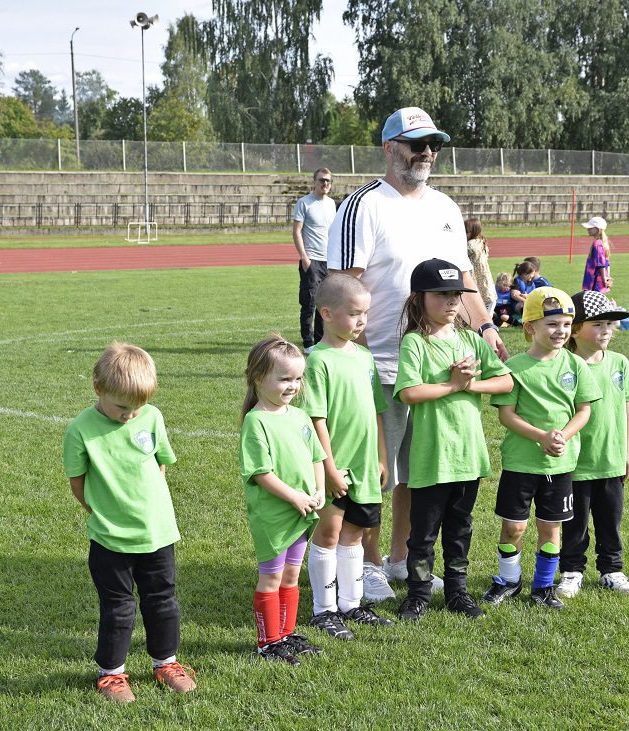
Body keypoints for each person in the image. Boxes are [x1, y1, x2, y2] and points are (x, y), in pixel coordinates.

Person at [327, 106, 506, 603]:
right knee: (372, 471)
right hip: (376, 360)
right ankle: (366, 563)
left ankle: (404, 558)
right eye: (415, 144)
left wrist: (486, 325)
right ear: (389, 149)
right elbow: (344, 285)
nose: (426, 152)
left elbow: (463, 281)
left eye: (433, 144)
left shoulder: (446, 208)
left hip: (432, 361)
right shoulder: (363, 204)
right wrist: (354, 356)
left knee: (416, 470)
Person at [63, 342, 196, 703]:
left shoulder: (150, 416)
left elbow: (160, 462)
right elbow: (78, 483)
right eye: (122, 406)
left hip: (158, 532)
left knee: (162, 600)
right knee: (119, 608)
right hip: (110, 539)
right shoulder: (80, 429)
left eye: (137, 407)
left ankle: (165, 663)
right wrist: (105, 511)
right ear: (98, 389)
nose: (130, 415)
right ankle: (112, 675)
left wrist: (148, 507)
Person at [394, 260, 513, 621]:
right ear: (420, 298)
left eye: (456, 295)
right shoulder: (415, 342)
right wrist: (451, 385)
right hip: (433, 455)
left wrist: (471, 384)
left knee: (460, 527)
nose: (451, 302)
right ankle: (418, 594)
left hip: (467, 454)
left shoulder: (470, 340)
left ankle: (457, 592)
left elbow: (506, 382)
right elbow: (409, 392)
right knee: (423, 532)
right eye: (442, 294)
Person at [483, 287, 601, 610]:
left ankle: (543, 587)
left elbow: (584, 410)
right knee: (513, 527)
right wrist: (540, 436)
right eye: (552, 324)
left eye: (565, 324)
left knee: (551, 529)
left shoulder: (576, 366)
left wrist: (562, 435)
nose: (560, 331)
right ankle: (508, 580)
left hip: (559, 466)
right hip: (521, 464)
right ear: (530, 327)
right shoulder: (515, 368)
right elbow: (506, 415)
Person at [302, 274, 394, 639]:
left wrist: (382, 458)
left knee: (354, 534)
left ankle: (351, 604)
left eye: (365, 314)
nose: (361, 322)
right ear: (327, 313)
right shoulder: (318, 361)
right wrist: (329, 468)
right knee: (329, 533)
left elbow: (375, 411)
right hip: (335, 466)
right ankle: (323, 610)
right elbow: (316, 419)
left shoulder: (366, 358)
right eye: (354, 314)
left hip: (366, 465)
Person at [239, 335, 326, 665]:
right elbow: (261, 473)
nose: (293, 386)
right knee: (272, 577)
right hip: (276, 514)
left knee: (291, 576)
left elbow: (317, 457)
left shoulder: (300, 417)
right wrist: (293, 497)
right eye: (284, 378)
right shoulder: (256, 421)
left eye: (297, 378)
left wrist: (318, 491)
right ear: (259, 378)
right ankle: (267, 641)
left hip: (303, 511)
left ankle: (286, 634)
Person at [557, 291, 629, 600]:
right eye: (598, 324)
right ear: (575, 327)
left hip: (611, 459)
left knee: (610, 520)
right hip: (576, 462)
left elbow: (626, 407)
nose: (606, 331)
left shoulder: (619, 362)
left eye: (610, 325)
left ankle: (612, 570)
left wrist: (625, 451)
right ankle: (572, 571)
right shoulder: (564, 364)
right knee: (575, 523)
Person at [293, 169, 336, 351]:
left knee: (325, 303)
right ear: (314, 181)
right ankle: (308, 343)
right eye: (322, 180)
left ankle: (319, 340)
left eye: (328, 181)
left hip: (330, 261)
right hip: (312, 259)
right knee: (309, 302)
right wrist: (304, 257)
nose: (325, 184)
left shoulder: (332, 203)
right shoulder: (304, 203)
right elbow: (296, 231)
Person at [465, 217, 495, 316]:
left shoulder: (471, 244)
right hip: (483, 276)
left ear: (474, 231)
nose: (465, 235)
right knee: (487, 299)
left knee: (480, 299)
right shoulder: (481, 241)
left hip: (476, 276)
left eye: (467, 232)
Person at [581, 216, 612, 292]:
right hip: (598, 280)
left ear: (597, 229)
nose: (588, 229)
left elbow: (601, 263)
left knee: (592, 301)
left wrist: (604, 278)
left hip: (594, 281)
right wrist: (608, 276)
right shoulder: (602, 243)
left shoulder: (597, 244)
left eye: (590, 228)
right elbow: (607, 263)